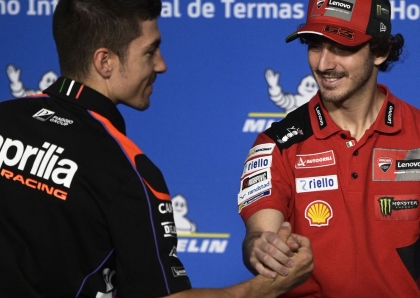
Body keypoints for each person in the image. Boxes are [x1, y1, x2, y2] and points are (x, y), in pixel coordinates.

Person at [0, 0, 313, 297]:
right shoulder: (126, 171)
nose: (161, 65)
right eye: (150, 52)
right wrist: (267, 289)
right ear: (104, 61)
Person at [238, 0, 420, 297]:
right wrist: (260, 246)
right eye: (314, 45)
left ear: (380, 51)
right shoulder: (276, 144)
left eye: (341, 47)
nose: (323, 64)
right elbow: (261, 235)